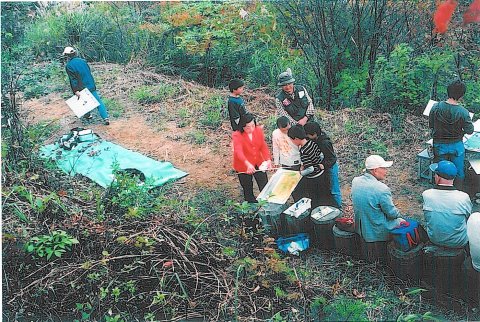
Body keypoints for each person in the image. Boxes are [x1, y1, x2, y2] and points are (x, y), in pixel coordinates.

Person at [429, 80, 474, 190]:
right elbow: (470, 130)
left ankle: (437, 191)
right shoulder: (463, 112)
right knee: (459, 172)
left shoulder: (436, 107)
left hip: (439, 144)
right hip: (456, 145)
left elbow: (431, 125)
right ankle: (457, 191)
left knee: (439, 169)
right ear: (461, 95)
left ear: (448, 91)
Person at [351, 155, 405, 243]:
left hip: (361, 228)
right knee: (402, 221)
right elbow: (392, 214)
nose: (386, 171)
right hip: (376, 231)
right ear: (375, 170)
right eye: (383, 168)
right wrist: (398, 214)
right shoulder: (382, 189)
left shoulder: (355, 181)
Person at [422, 160, 472, 248]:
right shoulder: (463, 198)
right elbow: (468, 217)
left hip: (434, 239)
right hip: (458, 242)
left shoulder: (427, 195)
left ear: (437, 177)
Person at [63, 46, 110, 125]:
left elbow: (73, 79)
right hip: (90, 83)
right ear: (75, 53)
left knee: (83, 101)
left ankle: (88, 115)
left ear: (67, 56)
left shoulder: (69, 66)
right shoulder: (83, 61)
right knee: (98, 101)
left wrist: (75, 90)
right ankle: (105, 117)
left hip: (81, 86)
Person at [288, 125, 330, 208]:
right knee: (323, 197)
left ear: (296, 139)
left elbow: (310, 169)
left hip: (313, 178)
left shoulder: (303, 151)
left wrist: (300, 173)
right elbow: (321, 155)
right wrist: (317, 163)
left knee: (314, 199)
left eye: (291, 140)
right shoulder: (312, 143)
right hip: (321, 174)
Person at [233, 114, 272, 203]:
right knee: (247, 186)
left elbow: (263, 146)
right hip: (243, 164)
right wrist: (247, 164)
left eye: (253, 126)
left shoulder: (258, 130)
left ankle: (266, 202)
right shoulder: (237, 135)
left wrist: (268, 159)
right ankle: (251, 204)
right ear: (242, 127)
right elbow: (238, 151)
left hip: (258, 162)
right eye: (247, 127)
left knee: (264, 183)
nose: (251, 129)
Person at [304, 121, 342, 209]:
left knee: (334, 189)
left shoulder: (324, 143)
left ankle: (338, 208)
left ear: (314, 134)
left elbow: (332, 158)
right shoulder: (316, 139)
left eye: (308, 135)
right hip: (324, 166)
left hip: (330, 167)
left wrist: (324, 165)